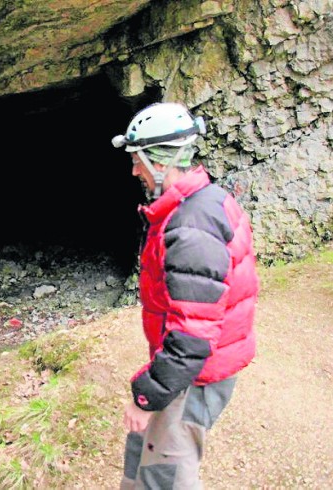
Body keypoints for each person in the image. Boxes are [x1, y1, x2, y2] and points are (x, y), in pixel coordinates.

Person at [110, 102, 259, 488]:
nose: (133, 170)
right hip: (186, 372)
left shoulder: (191, 225)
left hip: (194, 377)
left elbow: (193, 334)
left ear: (161, 163)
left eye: (137, 160)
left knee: (167, 476)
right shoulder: (198, 205)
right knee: (142, 455)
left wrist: (148, 396)